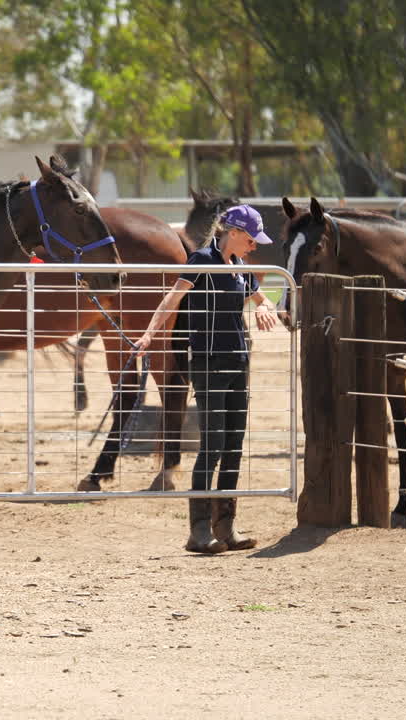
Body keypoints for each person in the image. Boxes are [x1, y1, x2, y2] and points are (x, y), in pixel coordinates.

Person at [136, 204, 280, 553]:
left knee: (233, 446)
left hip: (237, 362)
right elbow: (171, 300)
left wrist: (264, 305)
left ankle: (225, 526)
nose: (254, 246)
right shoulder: (201, 260)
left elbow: (265, 300)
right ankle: (198, 531)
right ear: (232, 232)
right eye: (250, 238)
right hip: (208, 362)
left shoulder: (240, 267)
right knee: (213, 445)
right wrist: (149, 335)